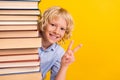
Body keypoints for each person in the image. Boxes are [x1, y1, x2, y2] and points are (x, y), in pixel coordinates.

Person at [38, 6, 82, 80]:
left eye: (62, 29)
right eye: (53, 25)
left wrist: (64, 66)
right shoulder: (30, 39)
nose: (56, 31)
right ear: (44, 23)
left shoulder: (59, 53)